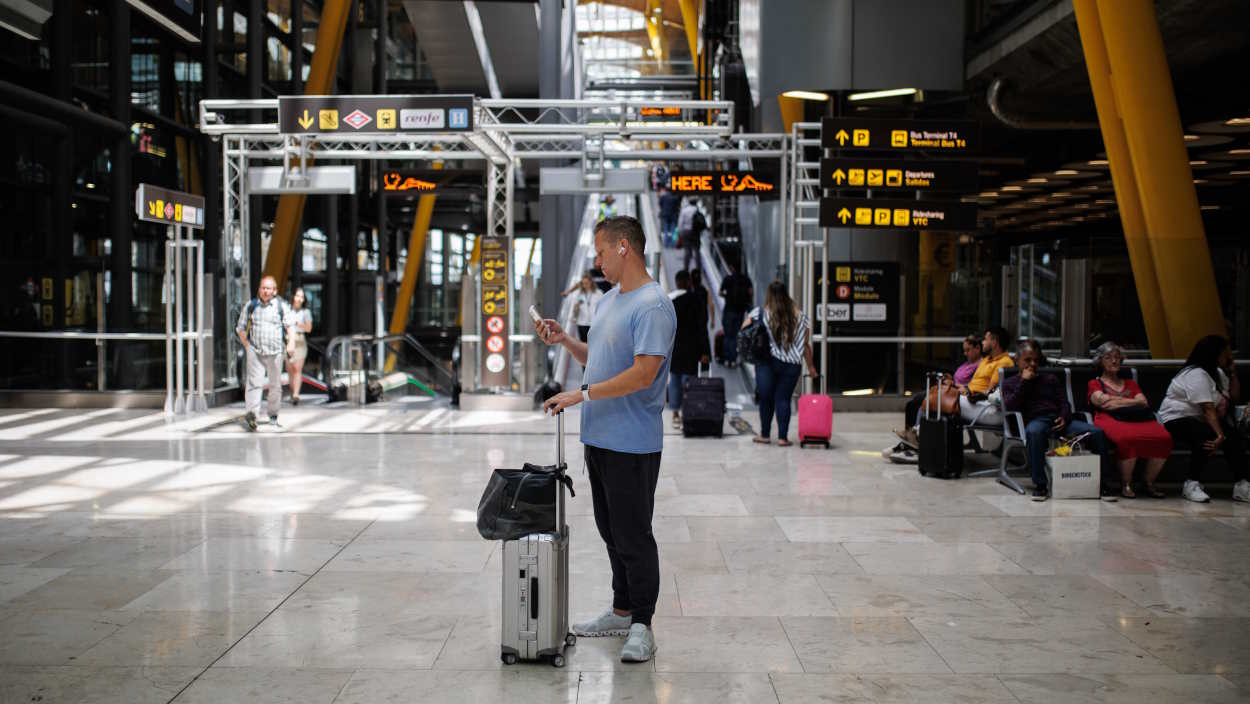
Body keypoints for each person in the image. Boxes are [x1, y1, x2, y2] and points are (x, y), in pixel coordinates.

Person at [535, 215, 676, 663]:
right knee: (610, 531)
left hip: (632, 442)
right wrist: (564, 342)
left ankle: (642, 625)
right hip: (599, 439)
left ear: (623, 248)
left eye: (600, 252)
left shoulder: (653, 305)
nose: (596, 261)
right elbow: (598, 357)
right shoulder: (609, 300)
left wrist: (582, 394)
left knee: (634, 536)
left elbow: (643, 373)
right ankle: (621, 610)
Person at [1001, 339, 1108, 501]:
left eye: (1036, 360)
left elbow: (1064, 403)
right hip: (1036, 420)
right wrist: (1024, 381)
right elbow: (1011, 404)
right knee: (1034, 433)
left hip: (1060, 419)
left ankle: (1103, 484)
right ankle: (1040, 485)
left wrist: (1064, 418)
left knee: (1097, 432)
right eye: (1027, 360)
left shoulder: (1049, 379)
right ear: (1017, 360)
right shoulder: (1011, 383)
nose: (1032, 364)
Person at [1159, 334, 1249, 503]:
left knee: (1235, 437)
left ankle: (1242, 485)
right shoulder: (1196, 374)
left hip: (1202, 419)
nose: (1229, 356)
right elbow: (1207, 408)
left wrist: (1233, 374)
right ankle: (1191, 484)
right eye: (1225, 353)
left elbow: (1234, 398)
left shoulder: (1218, 373)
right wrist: (1219, 435)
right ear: (1214, 354)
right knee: (1207, 436)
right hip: (1177, 418)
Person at [1087, 342, 1173, 498]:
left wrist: (1114, 401)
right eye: (1108, 357)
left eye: (1117, 358)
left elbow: (1143, 402)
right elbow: (1102, 403)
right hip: (1109, 419)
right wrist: (1131, 400)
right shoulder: (1094, 383)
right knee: (1127, 439)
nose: (1114, 361)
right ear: (1100, 361)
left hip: (1138, 418)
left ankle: (1148, 483)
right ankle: (1126, 484)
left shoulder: (1130, 383)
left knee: (1164, 438)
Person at [886, 334, 983, 460]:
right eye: (964, 350)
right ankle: (910, 439)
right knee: (912, 404)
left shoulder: (980, 365)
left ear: (977, 349)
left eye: (968, 350)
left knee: (923, 402)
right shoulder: (966, 364)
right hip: (948, 390)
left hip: (954, 395)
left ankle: (914, 439)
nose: (965, 353)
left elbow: (971, 386)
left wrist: (957, 385)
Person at [743, 281, 817, 446]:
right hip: (792, 365)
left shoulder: (760, 313)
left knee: (766, 399)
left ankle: (765, 435)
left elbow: (743, 331)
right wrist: (811, 366)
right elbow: (805, 345)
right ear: (786, 294)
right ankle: (783, 438)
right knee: (783, 399)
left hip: (766, 363)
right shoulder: (801, 316)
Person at [236, 275, 297, 431]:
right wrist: (247, 346)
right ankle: (252, 416)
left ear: (274, 291)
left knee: (275, 386)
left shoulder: (281, 306)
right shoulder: (251, 305)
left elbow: (290, 326)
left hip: (276, 352)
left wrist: (291, 343)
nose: (265, 291)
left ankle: (273, 415)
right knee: (253, 384)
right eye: (263, 287)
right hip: (255, 351)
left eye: (268, 288)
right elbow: (240, 328)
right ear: (259, 289)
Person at [667, 270, 711, 429]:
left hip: (673, 348)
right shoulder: (697, 300)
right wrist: (706, 351)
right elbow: (701, 327)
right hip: (692, 348)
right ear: (688, 282)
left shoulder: (668, 300)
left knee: (674, 380)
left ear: (676, 282)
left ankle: (675, 415)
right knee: (688, 382)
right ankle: (688, 412)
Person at [957, 326, 1015, 426]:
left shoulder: (1004, 363)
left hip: (985, 405)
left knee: (938, 398)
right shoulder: (986, 360)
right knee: (936, 395)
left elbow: (990, 392)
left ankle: (922, 433)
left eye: (985, 339)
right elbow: (975, 384)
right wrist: (965, 388)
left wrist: (968, 391)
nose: (983, 342)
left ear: (994, 342)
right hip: (971, 399)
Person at [718, 259, 754, 369]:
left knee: (727, 335)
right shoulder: (746, 279)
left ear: (731, 267)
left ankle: (727, 359)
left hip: (729, 310)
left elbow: (720, 292)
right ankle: (733, 359)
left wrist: (726, 297)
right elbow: (751, 293)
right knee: (735, 335)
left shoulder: (728, 279)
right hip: (740, 311)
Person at [285, 287, 314, 405]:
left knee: (297, 369)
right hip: (288, 340)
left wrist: (297, 323)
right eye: (298, 296)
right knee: (290, 369)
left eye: (302, 297)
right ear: (293, 297)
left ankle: (296, 394)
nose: (299, 299)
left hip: (300, 340)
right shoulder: (287, 310)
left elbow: (309, 328)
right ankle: (293, 392)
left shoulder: (305, 312)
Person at [563, 272, 603, 342]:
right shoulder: (579, 294)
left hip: (595, 323)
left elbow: (603, 308)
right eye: (583, 283)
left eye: (587, 283)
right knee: (584, 344)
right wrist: (576, 309)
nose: (585, 285)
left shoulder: (598, 293)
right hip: (582, 323)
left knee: (595, 343)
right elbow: (575, 311)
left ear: (591, 282)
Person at [688, 267, 716, 332]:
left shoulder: (689, 291)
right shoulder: (705, 291)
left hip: (692, 318)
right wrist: (713, 320)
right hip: (703, 318)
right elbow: (711, 305)